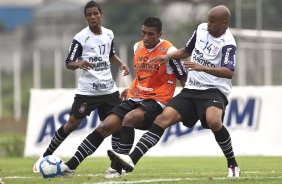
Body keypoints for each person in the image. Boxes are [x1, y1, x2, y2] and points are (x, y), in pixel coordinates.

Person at [107, 5, 240, 178]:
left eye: (213, 22)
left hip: (214, 91)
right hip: (191, 89)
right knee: (162, 119)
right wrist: (167, 56)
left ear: (224, 22)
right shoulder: (200, 29)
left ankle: (232, 164)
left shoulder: (228, 43)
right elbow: (186, 51)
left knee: (214, 122)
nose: (208, 24)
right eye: (208, 20)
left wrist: (202, 68)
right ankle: (131, 159)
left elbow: (229, 72)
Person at [59, 16, 187, 178]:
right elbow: (141, 75)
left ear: (159, 34)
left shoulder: (169, 51)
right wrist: (131, 88)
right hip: (136, 96)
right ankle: (69, 166)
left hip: (157, 101)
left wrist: (183, 103)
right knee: (104, 127)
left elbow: (183, 78)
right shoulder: (137, 47)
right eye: (143, 33)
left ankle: (116, 169)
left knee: (129, 119)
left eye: (150, 34)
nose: (145, 38)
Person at [32, 0, 130, 173]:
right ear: (86, 18)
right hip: (88, 92)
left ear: (101, 14)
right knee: (71, 124)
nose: (93, 17)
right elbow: (68, 62)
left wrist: (121, 64)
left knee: (116, 125)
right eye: (89, 15)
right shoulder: (80, 38)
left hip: (109, 90)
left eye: (95, 13)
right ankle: (45, 156)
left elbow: (111, 54)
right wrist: (78, 63)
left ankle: (115, 167)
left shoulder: (109, 34)